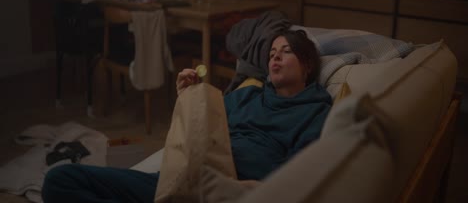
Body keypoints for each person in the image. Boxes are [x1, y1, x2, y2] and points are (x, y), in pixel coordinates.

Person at [42, 29, 332, 203]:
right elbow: (196, 134)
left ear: (307, 64)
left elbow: (298, 176)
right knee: (59, 180)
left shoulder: (315, 111)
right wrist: (188, 99)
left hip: (230, 192)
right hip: (181, 179)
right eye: (271, 53)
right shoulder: (247, 95)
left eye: (286, 52)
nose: (275, 58)